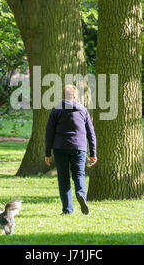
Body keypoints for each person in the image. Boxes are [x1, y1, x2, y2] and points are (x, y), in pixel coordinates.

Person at [45, 85, 97, 215]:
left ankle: (67, 209)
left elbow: (49, 132)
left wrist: (47, 153)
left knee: (63, 178)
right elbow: (91, 133)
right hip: (79, 147)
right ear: (75, 96)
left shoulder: (56, 110)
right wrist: (93, 153)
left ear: (63, 96)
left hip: (60, 147)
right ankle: (80, 194)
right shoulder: (83, 110)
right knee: (79, 174)